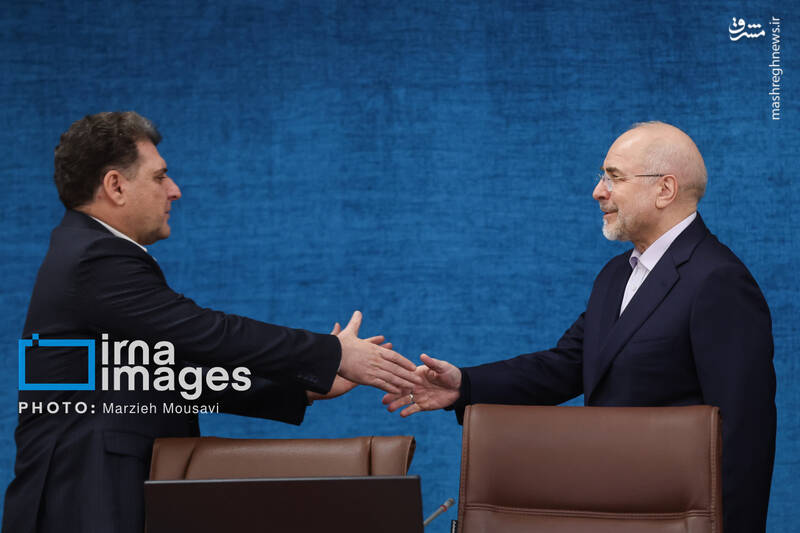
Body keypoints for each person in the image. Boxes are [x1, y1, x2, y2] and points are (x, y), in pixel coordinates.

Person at [3, 111, 421, 533]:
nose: (175, 190)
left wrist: (303, 386)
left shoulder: (80, 252)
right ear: (116, 186)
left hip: (87, 492)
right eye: (160, 176)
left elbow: (166, 377)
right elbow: (207, 334)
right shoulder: (94, 258)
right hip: (84, 498)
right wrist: (332, 354)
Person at [385, 121, 776, 533]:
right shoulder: (615, 275)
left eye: (614, 177)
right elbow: (565, 366)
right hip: (606, 510)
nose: (598, 191)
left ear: (665, 190)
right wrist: (463, 386)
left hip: (668, 518)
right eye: (601, 176)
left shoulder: (718, 280)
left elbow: (744, 437)